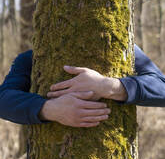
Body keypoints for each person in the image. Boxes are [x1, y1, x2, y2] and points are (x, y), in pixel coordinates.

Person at [0, 44, 165, 127]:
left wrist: (110, 86)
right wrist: (49, 109)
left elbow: (161, 88)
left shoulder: (122, 47)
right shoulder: (33, 57)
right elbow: (3, 99)